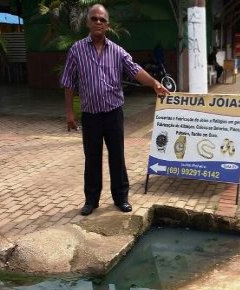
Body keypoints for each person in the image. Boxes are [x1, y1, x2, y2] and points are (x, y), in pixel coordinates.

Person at [61, 4, 170, 216]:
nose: (98, 22)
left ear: (107, 25)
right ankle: (91, 200)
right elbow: (68, 82)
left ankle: (121, 198)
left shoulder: (117, 52)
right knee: (92, 158)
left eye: (102, 20)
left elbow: (135, 70)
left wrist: (154, 83)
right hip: (91, 115)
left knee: (117, 156)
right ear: (88, 22)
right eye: (94, 19)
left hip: (113, 113)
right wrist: (69, 113)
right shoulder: (77, 50)